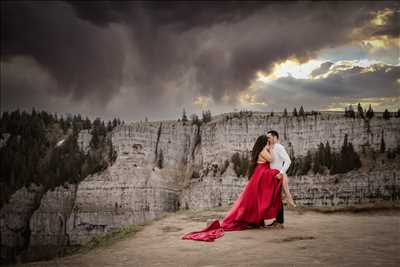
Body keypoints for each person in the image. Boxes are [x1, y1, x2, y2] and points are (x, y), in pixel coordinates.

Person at [181, 135, 284, 242]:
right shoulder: (263, 151)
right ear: (263, 143)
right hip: (261, 173)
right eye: (267, 142)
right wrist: (271, 149)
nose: (269, 144)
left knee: (256, 198)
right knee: (276, 176)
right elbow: (271, 159)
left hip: (260, 173)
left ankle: (260, 219)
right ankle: (262, 218)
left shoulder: (262, 150)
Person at [265, 130, 296, 229]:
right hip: (272, 176)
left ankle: (280, 222)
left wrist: (281, 173)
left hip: (277, 176)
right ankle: (277, 220)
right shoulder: (272, 147)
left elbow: (288, 161)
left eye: (269, 137)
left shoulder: (279, 147)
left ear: (274, 137)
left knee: (277, 199)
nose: (268, 139)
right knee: (274, 199)